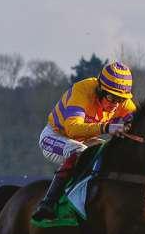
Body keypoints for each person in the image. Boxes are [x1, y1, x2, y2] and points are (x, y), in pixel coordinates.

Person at [32, 61, 138, 221]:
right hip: (55, 136)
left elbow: (139, 125)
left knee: (107, 153)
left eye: (121, 99)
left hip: (85, 139)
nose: (115, 105)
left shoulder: (123, 103)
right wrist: (106, 127)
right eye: (111, 97)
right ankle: (48, 203)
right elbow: (72, 129)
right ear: (100, 90)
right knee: (80, 151)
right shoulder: (82, 90)